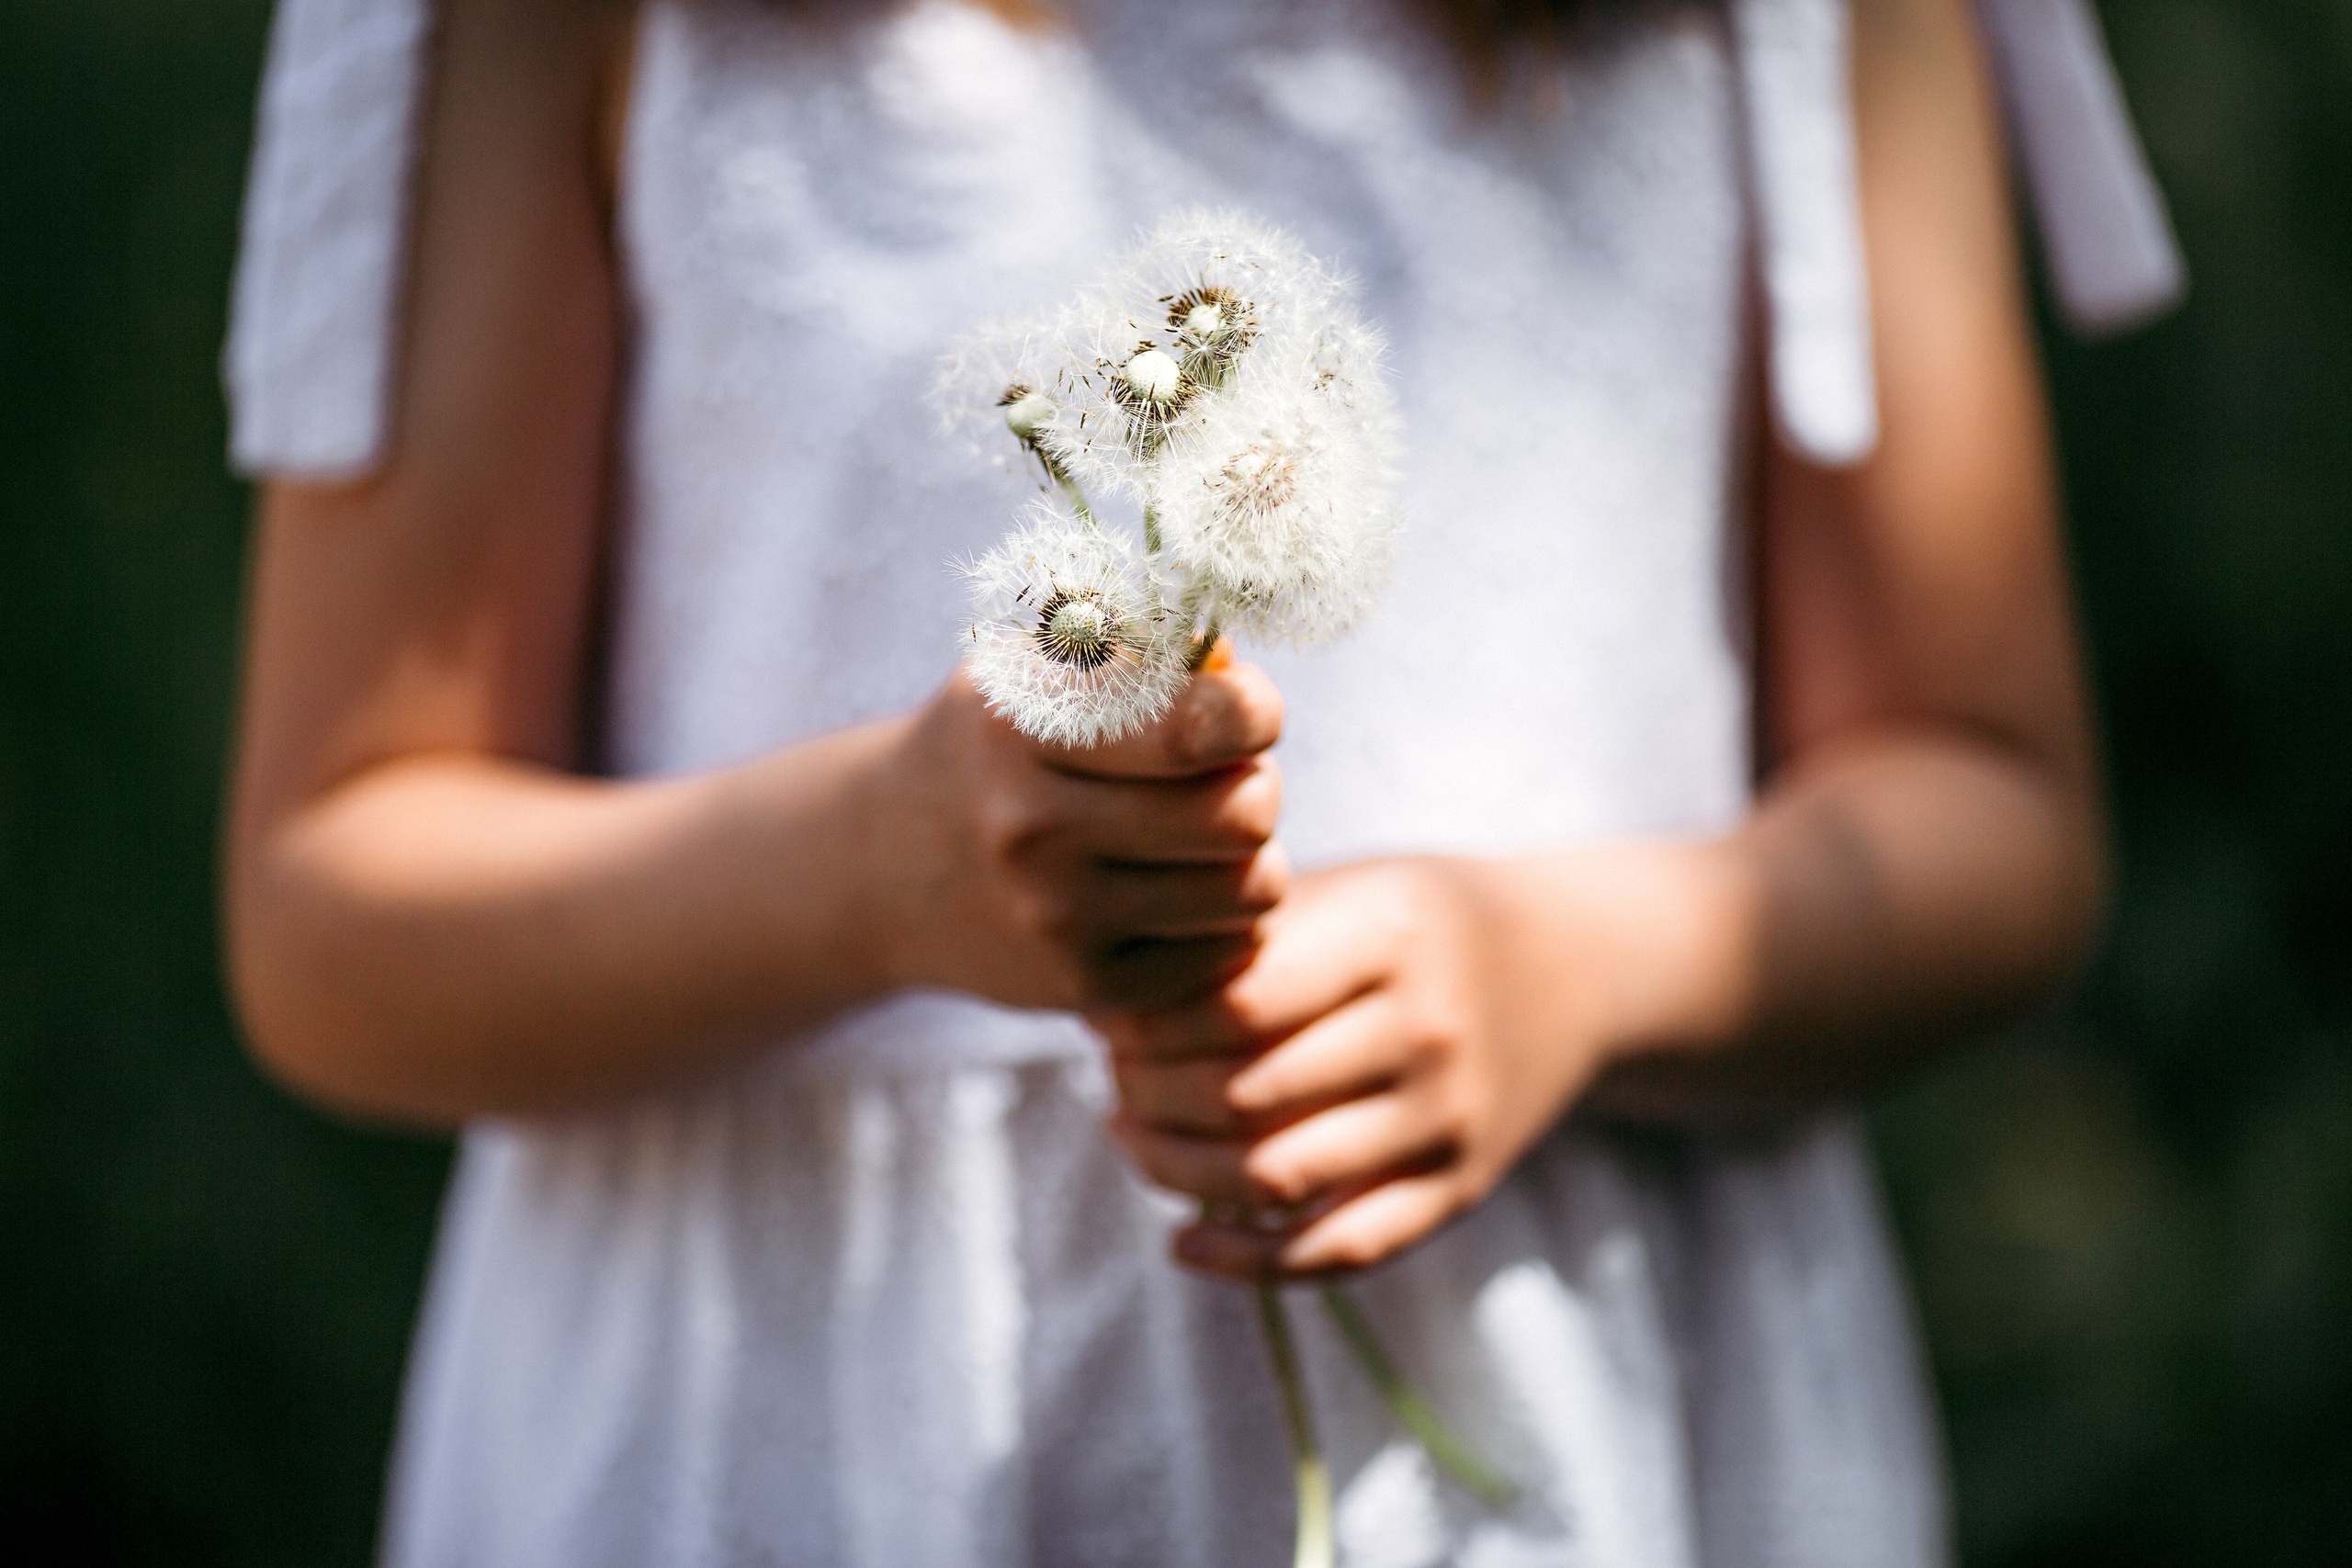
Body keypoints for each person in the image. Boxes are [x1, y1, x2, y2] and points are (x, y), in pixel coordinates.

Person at [220, 0, 2180, 1562]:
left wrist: (1572, 965)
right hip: (783, 1459)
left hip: (1571, 1451)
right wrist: (861, 874)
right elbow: (332, 907)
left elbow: (1986, 794)